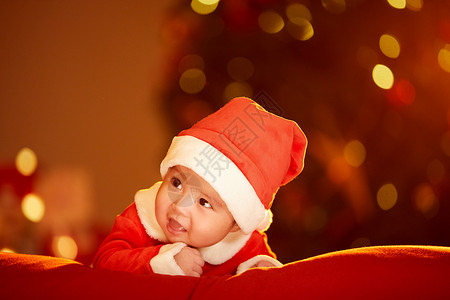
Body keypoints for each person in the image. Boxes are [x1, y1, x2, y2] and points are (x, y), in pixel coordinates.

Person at [93, 97, 307, 277]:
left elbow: (265, 272)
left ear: (235, 225)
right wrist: (161, 261)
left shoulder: (244, 244)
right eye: (176, 183)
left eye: (204, 202)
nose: (180, 206)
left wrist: (261, 271)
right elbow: (104, 261)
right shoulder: (142, 217)